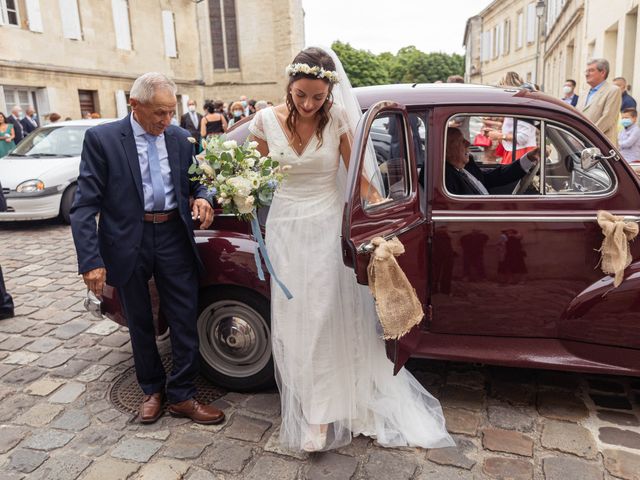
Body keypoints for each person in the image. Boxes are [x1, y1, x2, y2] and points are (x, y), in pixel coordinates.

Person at [248, 46, 453, 453]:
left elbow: (361, 180)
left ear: (330, 93)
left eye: (317, 97)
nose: (308, 104)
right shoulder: (264, 121)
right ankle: (308, 397)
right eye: (301, 94)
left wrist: (382, 219)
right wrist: (237, 193)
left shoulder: (339, 119)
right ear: (290, 86)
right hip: (286, 228)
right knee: (293, 320)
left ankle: (320, 417)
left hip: (326, 227)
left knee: (323, 316)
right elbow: (252, 177)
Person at [70, 72, 224, 426]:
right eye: (158, 113)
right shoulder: (103, 139)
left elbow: (198, 181)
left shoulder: (181, 138)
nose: (166, 121)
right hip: (127, 240)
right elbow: (84, 206)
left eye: (171, 112)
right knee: (139, 321)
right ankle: (152, 389)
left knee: (184, 317)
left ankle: (183, 395)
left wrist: (202, 198)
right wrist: (90, 261)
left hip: (173, 234)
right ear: (134, 106)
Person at [445, 127, 539, 195]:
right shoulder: (445, 178)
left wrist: (529, 158)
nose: (468, 143)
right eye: (461, 141)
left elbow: (494, 176)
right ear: (447, 149)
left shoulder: (468, 166)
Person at [577, 58, 622, 146]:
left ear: (602, 72)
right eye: (586, 71)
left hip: (601, 144)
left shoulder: (613, 90)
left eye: (591, 70)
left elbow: (607, 118)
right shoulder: (584, 93)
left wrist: (587, 135)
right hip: (581, 142)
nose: (586, 74)